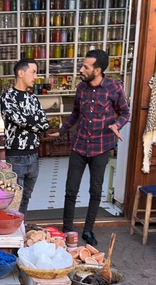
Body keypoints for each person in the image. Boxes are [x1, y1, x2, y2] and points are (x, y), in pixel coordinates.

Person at [50, 49, 130, 246]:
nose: (81, 69)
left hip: (101, 148)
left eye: (86, 67)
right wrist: (61, 131)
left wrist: (116, 125)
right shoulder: (81, 88)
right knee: (70, 190)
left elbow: (125, 112)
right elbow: (75, 114)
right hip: (79, 146)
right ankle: (67, 230)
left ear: (98, 70)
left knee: (95, 191)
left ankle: (88, 230)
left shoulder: (114, 87)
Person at [0, 59, 50, 216]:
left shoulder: (33, 98)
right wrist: (32, 121)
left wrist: (28, 122)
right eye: (33, 72)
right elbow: (19, 120)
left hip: (33, 156)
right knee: (15, 198)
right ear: (21, 73)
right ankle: (13, 231)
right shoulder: (7, 96)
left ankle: (20, 226)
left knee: (26, 197)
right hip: (16, 156)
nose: (36, 76)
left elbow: (44, 124)